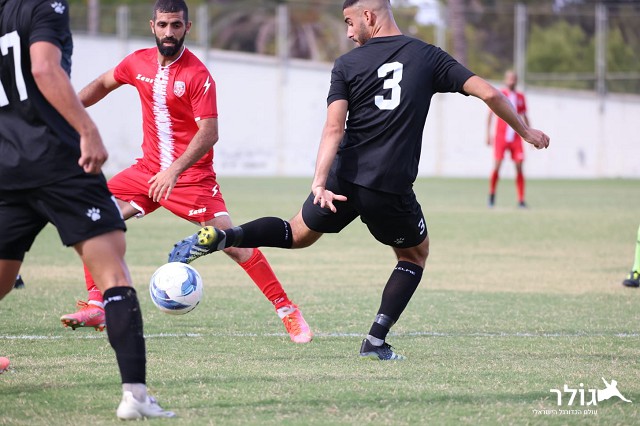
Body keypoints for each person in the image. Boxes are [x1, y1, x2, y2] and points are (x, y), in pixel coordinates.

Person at [168, 0, 550, 360]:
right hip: (388, 187)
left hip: (343, 179)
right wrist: (525, 131)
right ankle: (375, 341)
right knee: (414, 255)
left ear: (369, 16)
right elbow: (489, 92)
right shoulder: (428, 56)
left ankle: (225, 236)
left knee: (296, 232)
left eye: (350, 23)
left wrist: (319, 183)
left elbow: (333, 129)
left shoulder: (346, 65)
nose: (349, 33)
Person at [59, 0, 312, 343]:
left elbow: (209, 133)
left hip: (191, 178)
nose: (169, 32)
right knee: (95, 217)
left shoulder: (197, 75)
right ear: (152, 26)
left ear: (187, 28)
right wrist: (66, 111)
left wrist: (174, 171)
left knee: (233, 243)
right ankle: (97, 304)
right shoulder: (136, 63)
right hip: (146, 171)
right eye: (163, 25)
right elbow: (104, 83)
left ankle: (287, 309)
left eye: (176, 25)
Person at [0, 0, 174, 419]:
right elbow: (45, 68)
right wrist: (87, 128)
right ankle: (135, 397)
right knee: (114, 274)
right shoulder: (46, 6)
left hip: (8, 163)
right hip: (59, 161)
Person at [486, 70, 530, 208]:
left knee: (519, 167)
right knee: (497, 166)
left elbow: (524, 116)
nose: (512, 81)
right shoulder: (500, 94)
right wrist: (488, 134)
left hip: (516, 138)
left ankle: (521, 200)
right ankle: (492, 194)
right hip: (501, 137)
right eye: (509, 78)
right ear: (505, 80)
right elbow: (490, 115)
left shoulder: (520, 97)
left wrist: (531, 134)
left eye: (514, 79)